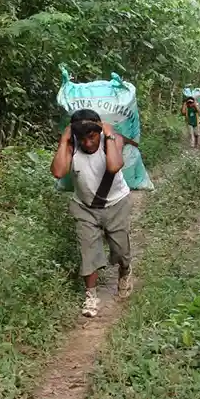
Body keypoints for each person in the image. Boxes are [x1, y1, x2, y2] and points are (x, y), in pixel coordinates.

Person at [50, 109, 133, 317]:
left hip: (116, 204)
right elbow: (58, 172)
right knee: (88, 250)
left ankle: (125, 271)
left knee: (120, 249)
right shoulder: (72, 145)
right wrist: (64, 141)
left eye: (92, 136)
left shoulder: (112, 140)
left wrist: (109, 134)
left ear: (99, 130)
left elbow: (114, 166)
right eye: (82, 138)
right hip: (84, 207)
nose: (87, 143)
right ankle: (91, 295)